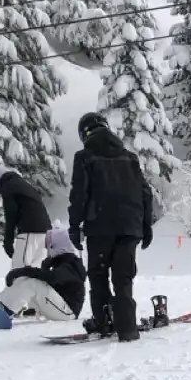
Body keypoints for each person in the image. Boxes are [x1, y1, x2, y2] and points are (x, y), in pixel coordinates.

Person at [67, 112, 153, 342]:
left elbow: (79, 195)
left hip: (100, 226)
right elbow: (146, 194)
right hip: (130, 228)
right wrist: (146, 226)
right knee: (123, 278)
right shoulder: (130, 158)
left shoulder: (84, 157)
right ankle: (127, 329)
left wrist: (74, 226)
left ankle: (104, 323)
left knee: (98, 276)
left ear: (84, 134)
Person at [0, 228, 87, 322]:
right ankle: (1, 304)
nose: (46, 249)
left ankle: (4, 312)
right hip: (59, 306)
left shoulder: (70, 264)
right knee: (30, 279)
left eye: (48, 246)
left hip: (68, 312)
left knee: (33, 283)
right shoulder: (58, 261)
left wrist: (21, 271)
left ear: (54, 246)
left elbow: (52, 277)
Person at [0, 163, 52, 270]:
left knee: (19, 271)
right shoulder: (22, 184)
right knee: (39, 271)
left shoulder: (9, 187)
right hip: (45, 232)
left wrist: (8, 241)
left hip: (29, 232)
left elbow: (11, 215)